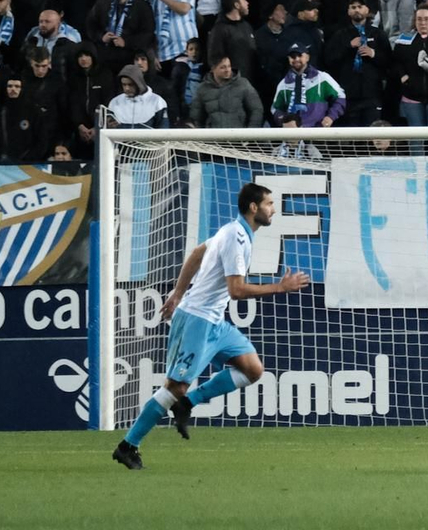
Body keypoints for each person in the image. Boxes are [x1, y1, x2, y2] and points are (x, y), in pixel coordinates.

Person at [113, 182, 312, 469]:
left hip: (215, 321)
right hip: (197, 319)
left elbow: (196, 252)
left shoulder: (233, 230)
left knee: (253, 369)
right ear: (254, 207)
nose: (274, 209)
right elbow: (237, 290)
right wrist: (280, 288)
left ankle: (188, 404)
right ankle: (127, 446)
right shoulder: (236, 239)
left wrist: (178, 292)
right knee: (175, 386)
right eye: (269, 203)